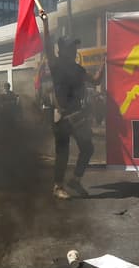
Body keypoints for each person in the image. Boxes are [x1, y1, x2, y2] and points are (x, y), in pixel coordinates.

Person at [39, 12, 96, 200]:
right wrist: (46, 23)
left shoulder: (78, 69)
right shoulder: (56, 65)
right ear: (62, 50)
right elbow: (47, 45)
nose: (74, 50)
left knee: (87, 149)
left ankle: (76, 180)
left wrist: (106, 62)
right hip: (62, 117)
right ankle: (57, 186)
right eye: (71, 47)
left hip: (77, 117)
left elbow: (95, 81)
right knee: (62, 152)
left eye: (75, 47)